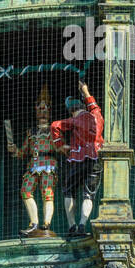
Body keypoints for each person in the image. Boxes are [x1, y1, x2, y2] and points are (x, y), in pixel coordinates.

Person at [50, 80, 104, 239]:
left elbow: (54, 125)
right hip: (95, 158)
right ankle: (82, 224)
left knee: (69, 191)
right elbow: (94, 106)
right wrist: (86, 91)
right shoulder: (96, 116)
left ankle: (72, 225)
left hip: (77, 159)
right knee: (89, 194)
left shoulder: (74, 120)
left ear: (71, 111)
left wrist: (60, 145)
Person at [7, 85, 57, 236]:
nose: (42, 111)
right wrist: (15, 150)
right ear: (35, 111)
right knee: (25, 190)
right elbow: (23, 152)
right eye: (39, 108)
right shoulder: (31, 132)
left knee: (47, 193)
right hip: (33, 165)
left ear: (50, 111)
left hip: (48, 163)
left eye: (45, 108)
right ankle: (34, 222)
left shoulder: (54, 129)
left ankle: (46, 223)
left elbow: (59, 146)